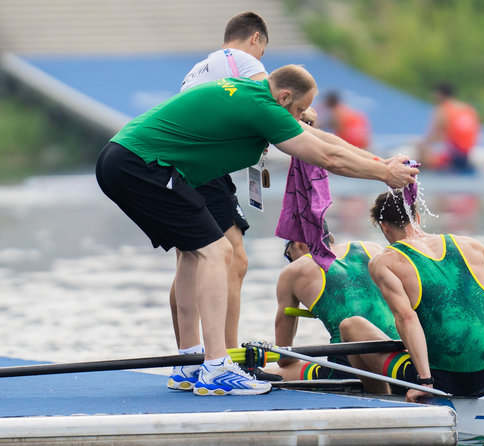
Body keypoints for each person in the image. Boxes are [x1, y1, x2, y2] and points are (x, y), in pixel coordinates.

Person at [95, 65, 418, 396]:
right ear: (284, 97)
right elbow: (328, 157)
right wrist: (383, 176)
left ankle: (190, 362)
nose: (298, 119)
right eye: (295, 111)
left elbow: (323, 139)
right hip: (140, 164)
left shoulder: (255, 92)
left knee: (195, 253)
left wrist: (383, 162)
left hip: (125, 159)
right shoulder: (264, 108)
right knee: (219, 251)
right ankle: (217, 366)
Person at [339, 190, 484, 401]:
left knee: (350, 326)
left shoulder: (384, 262)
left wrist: (425, 383)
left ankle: (381, 400)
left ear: (384, 227)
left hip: (440, 380)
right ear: (417, 217)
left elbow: (406, 319)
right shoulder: (472, 246)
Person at [166, 13, 269, 379]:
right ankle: (226, 359)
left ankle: (188, 357)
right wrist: (304, 113)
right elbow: (270, 104)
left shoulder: (197, 70)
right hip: (203, 164)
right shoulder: (243, 60)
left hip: (180, 164)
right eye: (263, 52)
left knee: (190, 260)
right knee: (233, 258)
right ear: (255, 38)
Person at [263, 224, 399, 384]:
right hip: (397, 356)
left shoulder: (293, 271)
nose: (291, 261)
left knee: (267, 373)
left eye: (289, 256)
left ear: (299, 245)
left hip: (348, 368)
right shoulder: (372, 248)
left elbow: (284, 357)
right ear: (330, 238)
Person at [416, 83, 479, 173]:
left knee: (420, 159)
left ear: (439, 95)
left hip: (452, 156)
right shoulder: (468, 109)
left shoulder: (442, 110)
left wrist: (420, 145)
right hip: (466, 154)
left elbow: (433, 136)